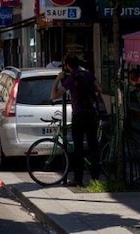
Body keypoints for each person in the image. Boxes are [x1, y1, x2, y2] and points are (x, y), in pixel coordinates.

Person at [51, 55, 103, 186]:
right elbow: (100, 89)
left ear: (68, 66)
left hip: (79, 115)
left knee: (78, 148)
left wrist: (57, 79)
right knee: (93, 146)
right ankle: (95, 178)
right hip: (91, 114)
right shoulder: (88, 74)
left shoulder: (71, 78)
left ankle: (78, 179)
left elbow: (54, 96)